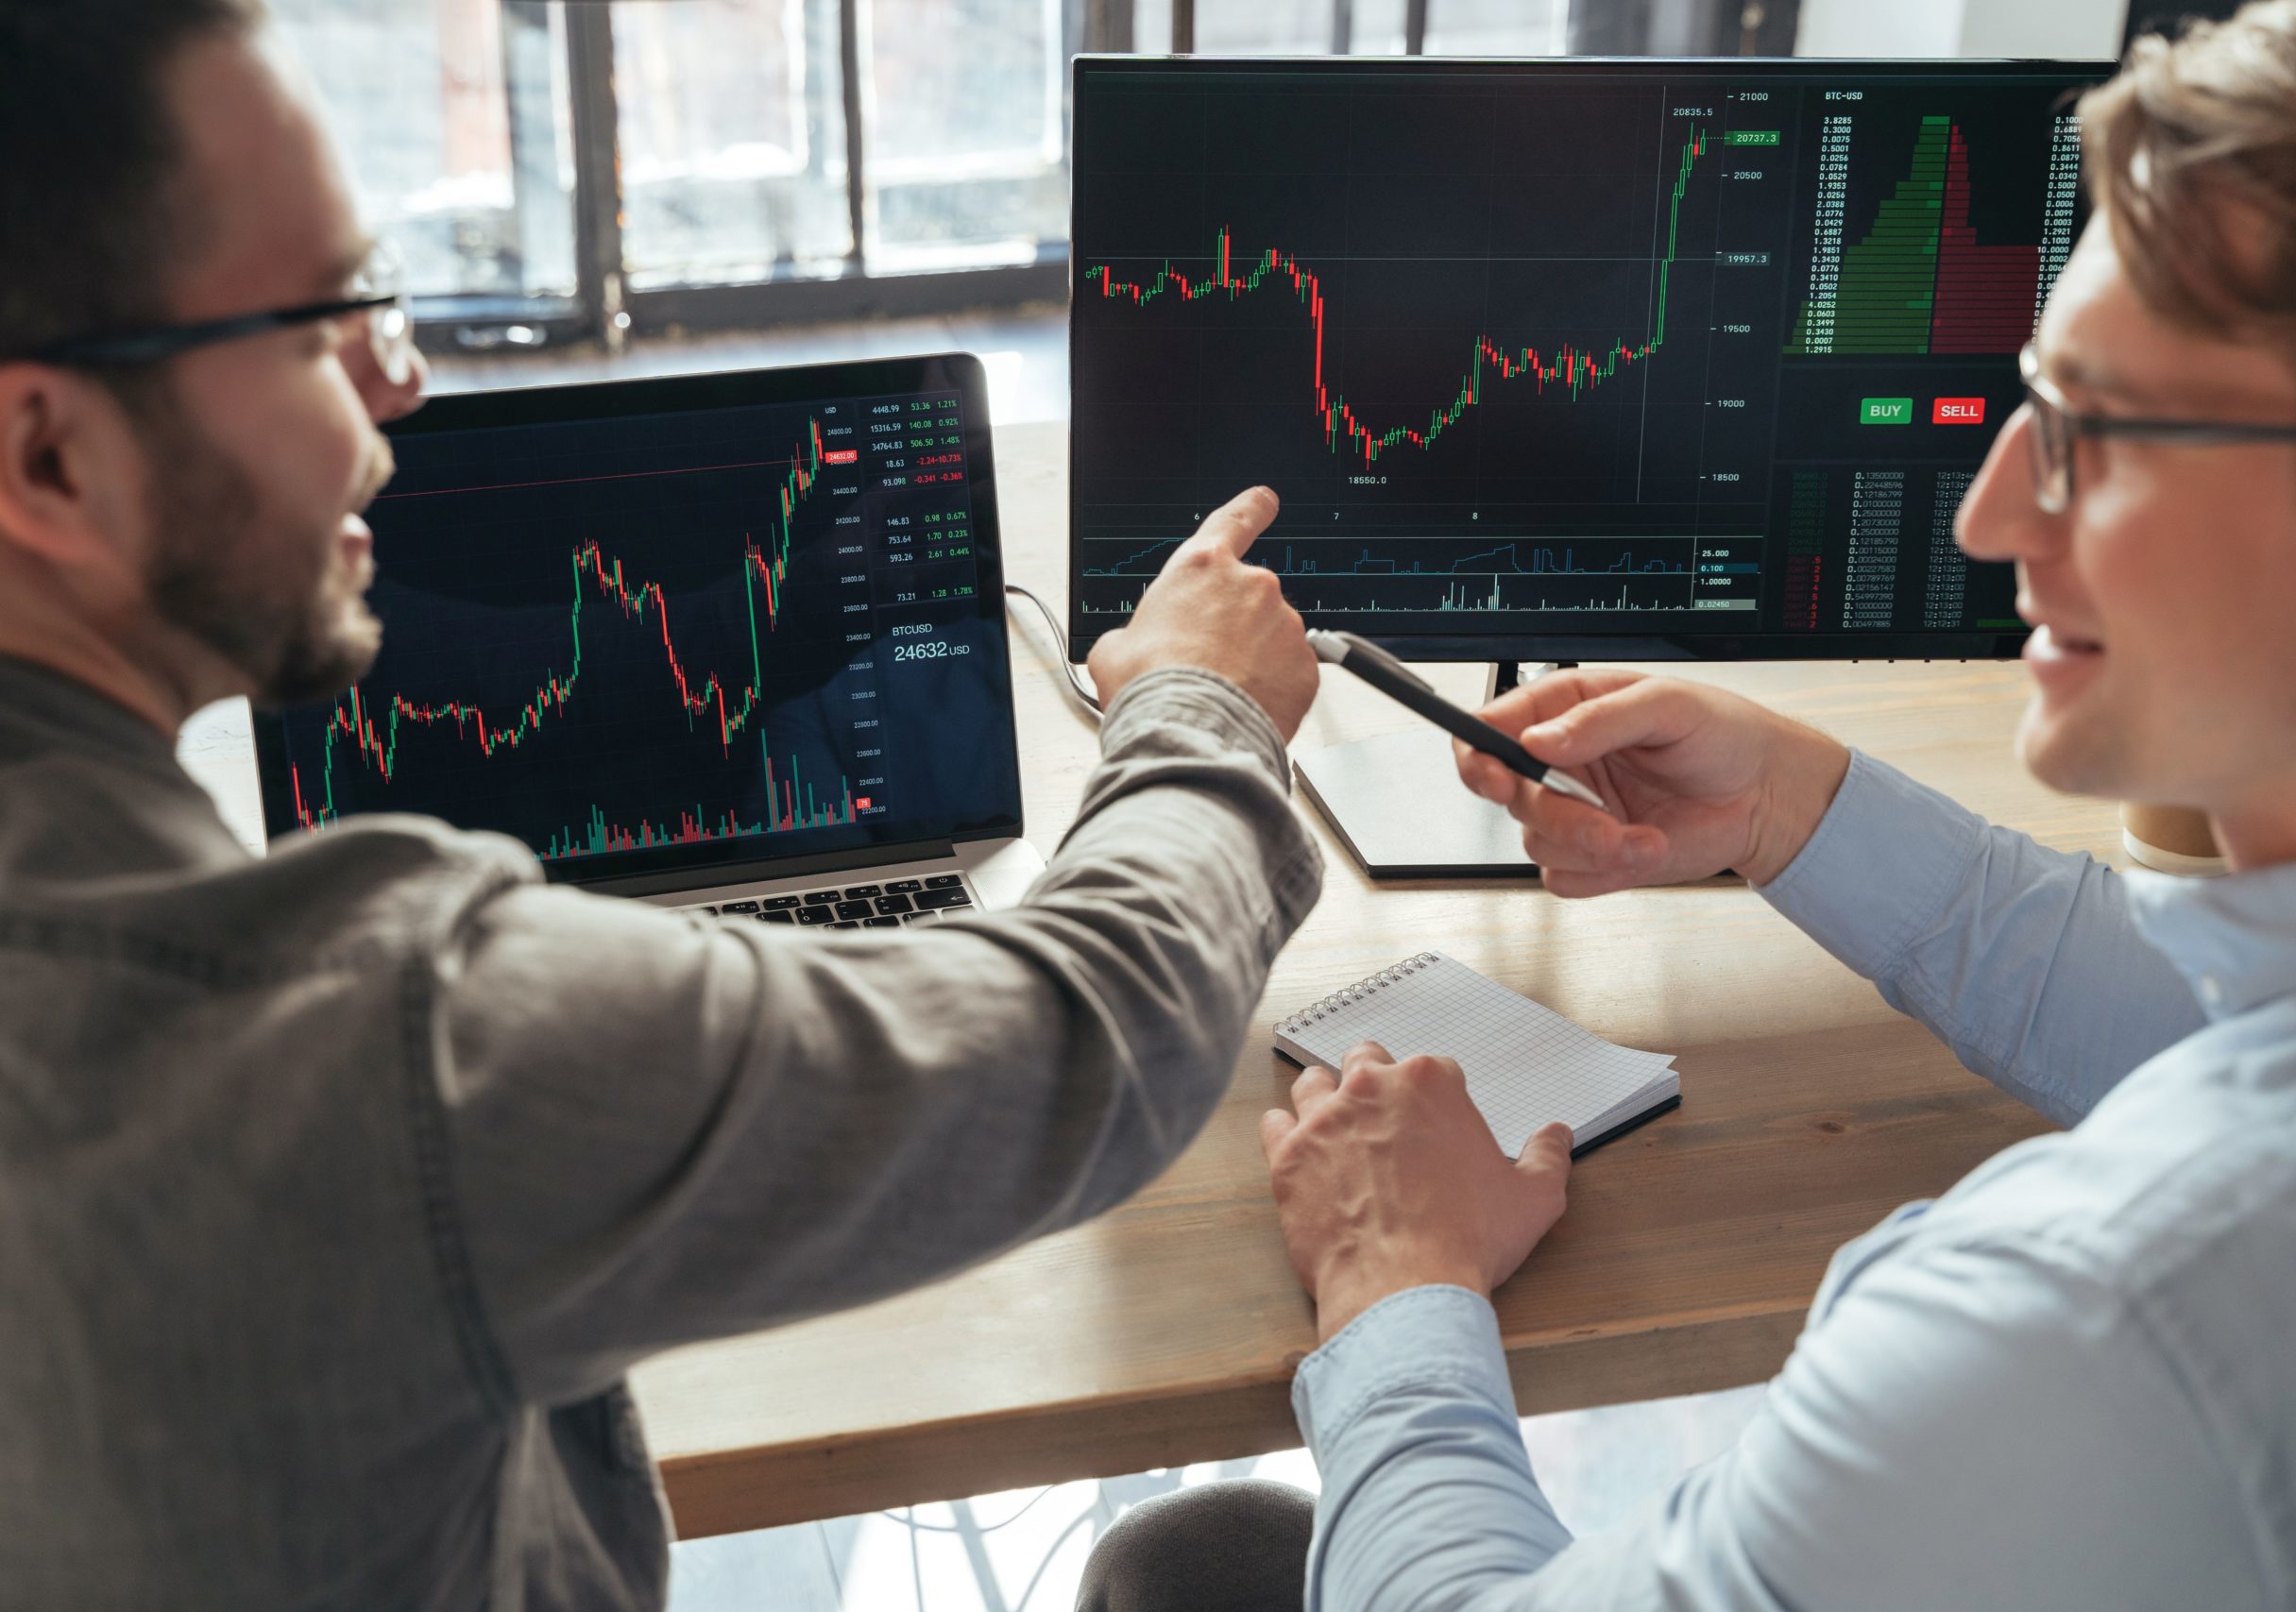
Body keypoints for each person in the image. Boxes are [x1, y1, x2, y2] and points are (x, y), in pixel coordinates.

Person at [0, 3, 1325, 1607]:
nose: (398, 384)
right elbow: (1085, 1048)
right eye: (312, 328)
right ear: (48, 461)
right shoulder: (362, 1035)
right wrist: (1204, 704)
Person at [1250, 2, 2296, 1607]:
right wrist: (1792, 806)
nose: (1996, 511)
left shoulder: (2103, 1323)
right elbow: (2228, 1020)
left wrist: (1394, 1291)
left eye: (2102, 433)